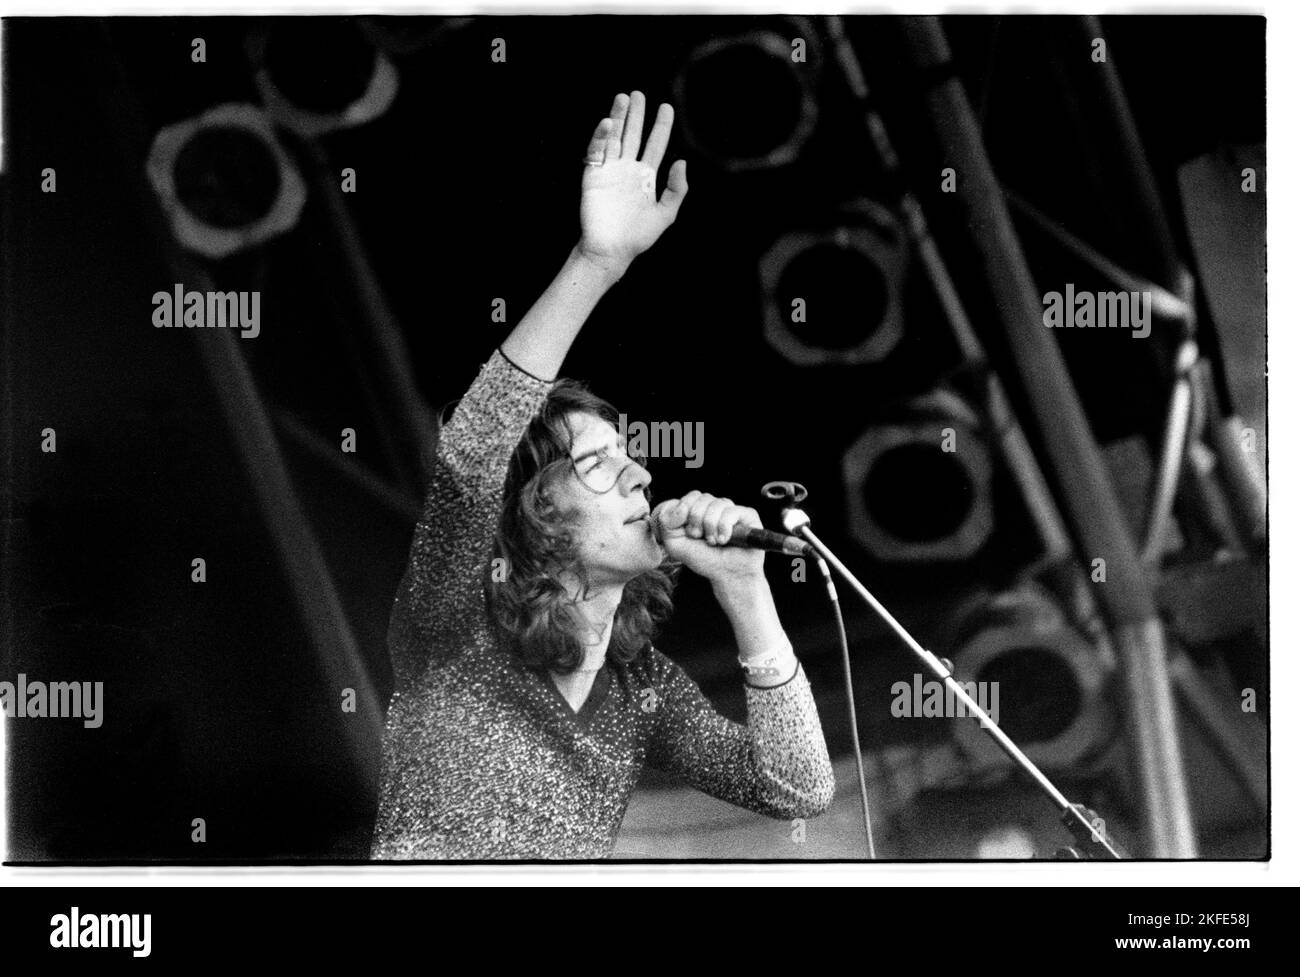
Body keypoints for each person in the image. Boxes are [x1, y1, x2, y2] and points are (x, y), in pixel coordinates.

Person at [370, 91, 835, 860]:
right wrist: (598, 263)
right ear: (525, 515)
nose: (638, 475)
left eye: (628, 457)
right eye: (593, 462)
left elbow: (797, 789)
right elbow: (474, 450)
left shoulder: (640, 687)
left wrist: (745, 587)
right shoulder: (453, 624)